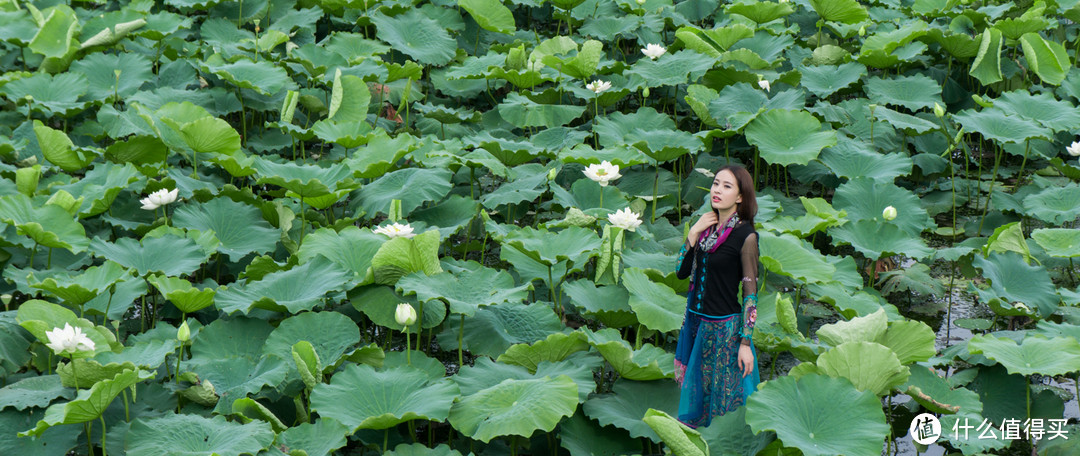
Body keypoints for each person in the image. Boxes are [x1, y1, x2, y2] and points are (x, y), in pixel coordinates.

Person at [673, 164, 760, 428]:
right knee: (698, 400)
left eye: (727, 186)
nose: (718, 190)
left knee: (723, 405)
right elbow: (680, 271)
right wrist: (692, 233)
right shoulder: (706, 230)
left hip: (724, 329)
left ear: (741, 196)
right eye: (715, 183)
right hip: (696, 324)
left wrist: (745, 343)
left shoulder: (746, 236)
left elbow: (750, 293)